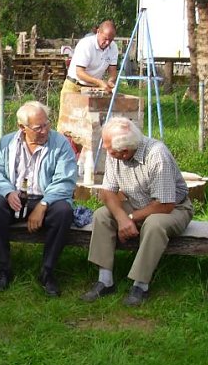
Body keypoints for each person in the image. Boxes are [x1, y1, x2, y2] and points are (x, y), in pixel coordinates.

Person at [81, 117, 193, 307]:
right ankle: (105, 280)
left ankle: (140, 285)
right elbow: (107, 193)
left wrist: (130, 218)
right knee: (101, 215)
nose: (106, 151)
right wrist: (122, 218)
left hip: (174, 208)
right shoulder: (114, 152)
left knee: (154, 224)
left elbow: (165, 205)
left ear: (124, 152)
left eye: (109, 149)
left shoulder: (157, 154)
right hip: (137, 204)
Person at [0, 101, 77, 296]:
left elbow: (65, 181)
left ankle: (47, 272)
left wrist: (43, 205)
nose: (44, 131)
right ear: (22, 128)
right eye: (38, 127)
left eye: (46, 124)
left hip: (46, 198)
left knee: (63, 212)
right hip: (16, 197)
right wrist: (8, 192)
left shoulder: (60, 143)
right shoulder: (7, 142)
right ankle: (4, 269)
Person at [61, 19, 118, 96]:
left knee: (96, 108)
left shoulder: (113, 47)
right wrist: (99, 82)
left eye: (110, 40)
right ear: (98, 32)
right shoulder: (86, 44)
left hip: (94, 88)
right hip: (74, 87)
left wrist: (111, 81)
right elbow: (79, 72)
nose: (107, 43)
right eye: (105, 39)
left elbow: (113, 71)